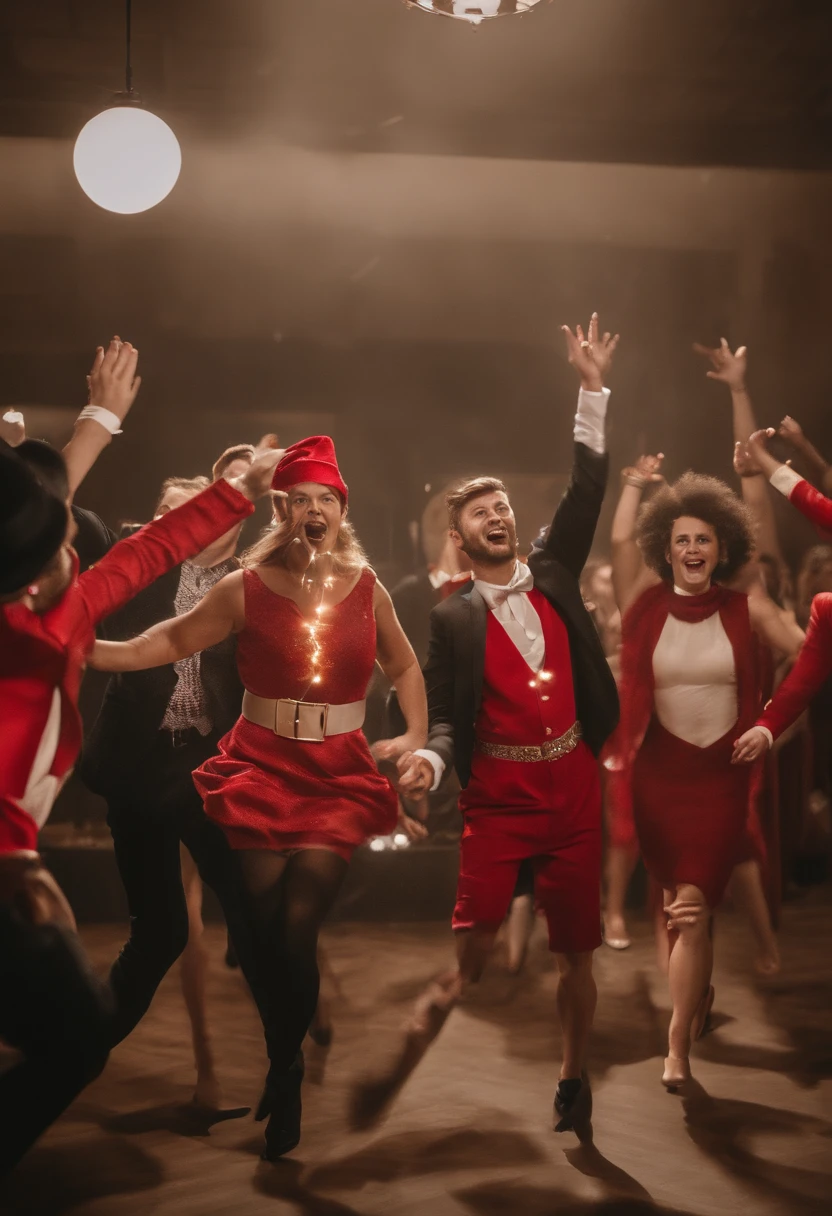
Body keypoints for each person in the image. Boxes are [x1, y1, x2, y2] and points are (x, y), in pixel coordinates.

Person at [89, 433, 428, 1160]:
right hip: (254, 770)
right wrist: (82, 648)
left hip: (334, 775)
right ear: (282, 510)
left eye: (325, 499)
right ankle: (276, 1053)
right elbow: (166, 639)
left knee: (298, 922)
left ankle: (286, 1067)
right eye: (299, 499)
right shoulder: (241, 584)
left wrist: (416, 738)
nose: (312, 509)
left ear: (342, 509)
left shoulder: (366, 588)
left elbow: (404, 665)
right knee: (257, 929)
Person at [352, 313, 621, 1140]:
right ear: (459, 538)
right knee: (469, 957)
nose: (498, 516)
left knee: (576, 952)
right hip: (499, 794)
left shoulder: (554, 570)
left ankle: (574, 1079)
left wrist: (590, 388)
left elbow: (585, 489)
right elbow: (436, 710)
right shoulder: (453, 618)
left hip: (573, 783)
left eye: (504, 506)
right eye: (481, 513)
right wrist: (431, 761)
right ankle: (418, 1034)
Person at [0, 424, 283, 1173]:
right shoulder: (48, 622)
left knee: (247, 920)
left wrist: (99, 418)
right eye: (58, 542)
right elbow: (143, 550)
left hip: (202, 772)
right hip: (131, 779)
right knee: (150, 944)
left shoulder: (242, 580)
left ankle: (280, 1050)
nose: (73, 550)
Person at [612, 456, 801, 1091]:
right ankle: (698, 994)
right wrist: (634, 485)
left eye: (703, 538)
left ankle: (676, 1047)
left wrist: (773, 728)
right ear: (664, 550)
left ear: (723, 546)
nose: (692, 548)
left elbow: (810, 658)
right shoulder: (645, 605)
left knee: (690, 908)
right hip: (659, 778)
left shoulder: (749, 605)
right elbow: (617, 542)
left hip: (721, 778)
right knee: (681, 909)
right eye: (681, 539)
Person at [80, 461, 259, 1110]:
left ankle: (283, 1068)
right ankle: (78, 1050)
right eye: (173, 513)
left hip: (206, 769)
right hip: (140, 769)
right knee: (164, 932)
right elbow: (114, 539)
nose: (186, 520)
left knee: (254, 909)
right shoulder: (143, 564)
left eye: (205, 508)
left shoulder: (249, 582)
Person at [734, 427, 832, 764]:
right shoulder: (827, 609)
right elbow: (803, 680)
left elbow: (815, 503)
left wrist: (764, 458)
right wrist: (766, 728)